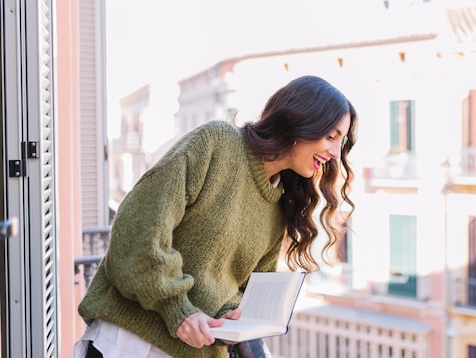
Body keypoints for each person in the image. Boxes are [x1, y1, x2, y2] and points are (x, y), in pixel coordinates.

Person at [74, 75, 358, 358]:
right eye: (330, 136)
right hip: (132, 344)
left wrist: (235, 314)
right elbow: (139, 228)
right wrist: (178, 310)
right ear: (300, 121)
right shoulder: (217, 144)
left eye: (340, 141)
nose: (335, 152)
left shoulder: (279, 205)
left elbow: (241, 294)